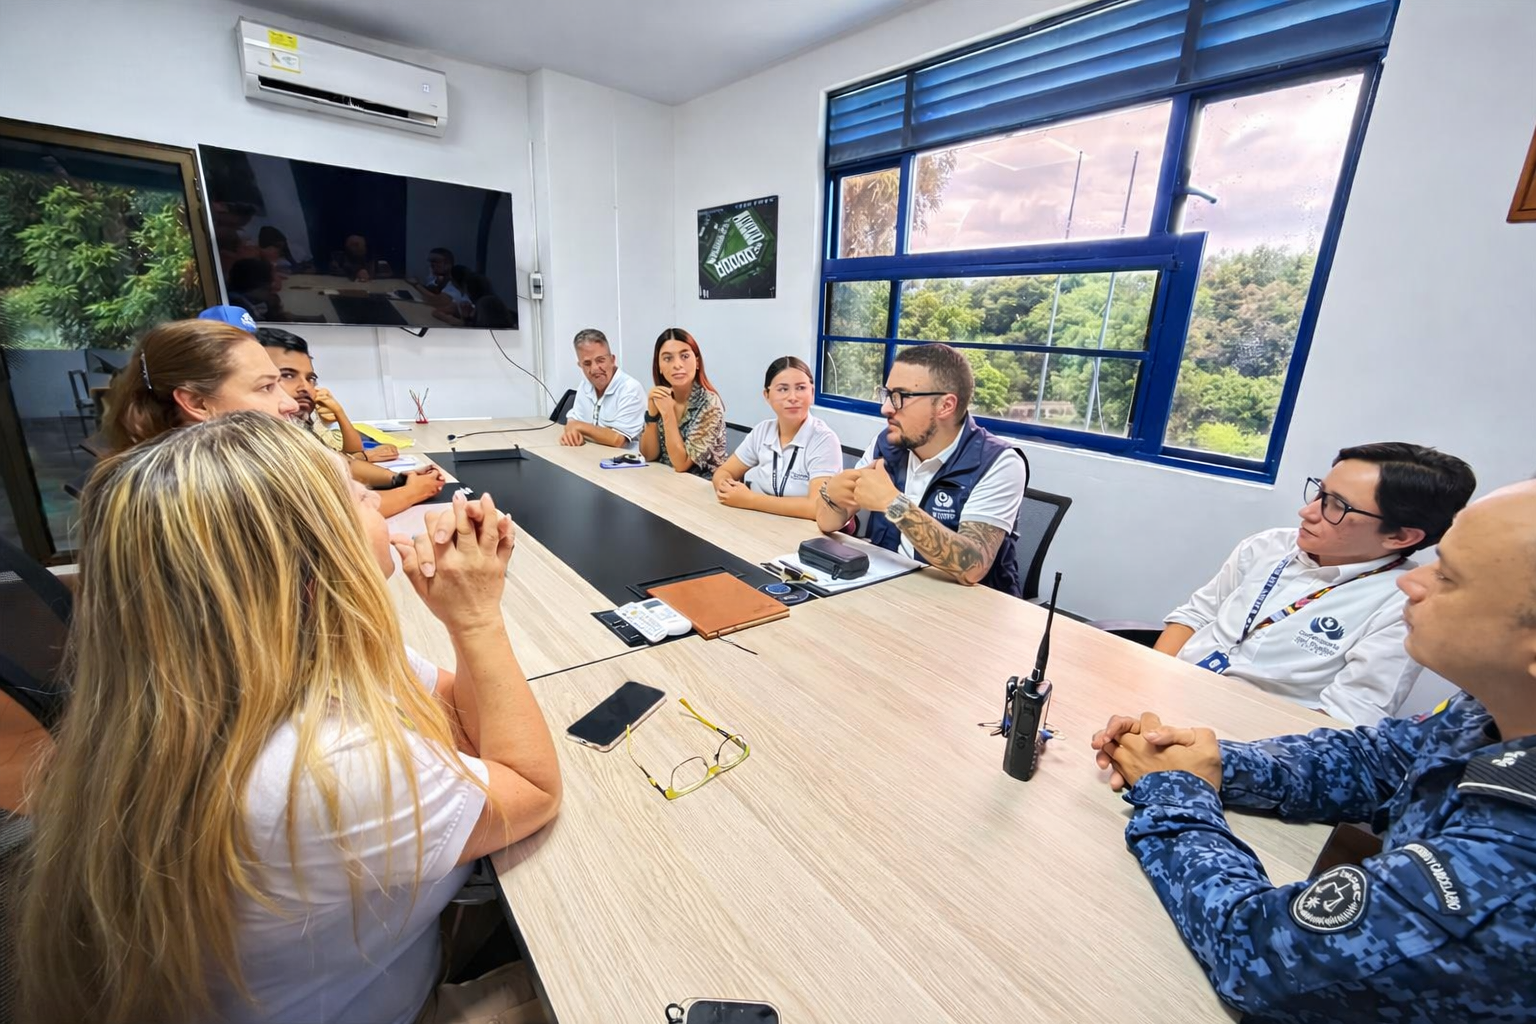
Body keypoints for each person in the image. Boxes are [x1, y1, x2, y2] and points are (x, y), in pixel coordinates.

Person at [18, 413, 562, 1024]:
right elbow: (533, 788)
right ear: (312, 568)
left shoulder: (247, 661)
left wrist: (463, 624)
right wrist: (477, 620)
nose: (378, 503)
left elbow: (458, 714)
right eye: (360, 496)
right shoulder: (328, 766)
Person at [1088, 478, 1536, 1023]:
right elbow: (1378, 760)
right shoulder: (1490, 709)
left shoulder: (1512, 873)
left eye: (1448, 577)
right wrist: (1214, 760)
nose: (1412, 583)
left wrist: (1174, 789)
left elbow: (1259, 955)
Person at [1155, 442, 1476, 725]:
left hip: (1244, 743)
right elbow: (1194, 617)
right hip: (1168, 696)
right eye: (1320, 492)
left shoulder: (1403, 606)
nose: (1307, 512)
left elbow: (1346, 718)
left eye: (1337, 505)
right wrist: (1152, 685)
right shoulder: (1267, 547)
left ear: (1400, 536)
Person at [813, 343, 1029, 594]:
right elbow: (826, 522)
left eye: (901, 397)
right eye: (887, 394)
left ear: (945, 405)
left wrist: (892, 503)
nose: (886, 408)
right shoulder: (889, 443)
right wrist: (833, 498)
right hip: (889, 588)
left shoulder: (999, 462)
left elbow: (973, 566)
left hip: (966, 612)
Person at [257, 327, 446, 516]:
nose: (305, 387)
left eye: (310, 378)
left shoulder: (296, 426)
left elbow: (340, 463)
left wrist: (399, 479)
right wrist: (412, 492)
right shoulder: (260, 443)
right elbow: (336, 514)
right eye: (288, 375)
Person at [100, 318, 299, 451]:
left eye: (279, 382)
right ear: (196, 403)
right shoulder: (220, 498)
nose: (291, 404)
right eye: (266, 387)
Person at [711, 356, 843, 520]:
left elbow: (817, 507)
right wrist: (726, 487)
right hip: (758, 523)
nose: (793, 397)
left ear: (812, 392)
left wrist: (750, 500)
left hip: (801, 532)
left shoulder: (824, 440)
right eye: (782, 389)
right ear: (767, 395)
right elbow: (724, 471)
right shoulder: (762, 431)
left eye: (801, 388)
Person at [639, 327, 726, 476]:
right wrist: (652, 415)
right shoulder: (662, 397)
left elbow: (681, 464)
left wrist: (667, 414)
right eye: (667, 358)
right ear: (659, 366)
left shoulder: (710, 403)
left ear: (697, 362)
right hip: (666, 482)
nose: (677, 365)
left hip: (701, 490)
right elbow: (648, 455)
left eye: (685, 356)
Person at [560, 328, 646, 449]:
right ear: (580, 365)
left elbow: (618, 440)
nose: (595, 368)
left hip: (624, 462)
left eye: (600, 360)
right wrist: (572, 432)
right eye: (587, 363)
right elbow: (574, 419)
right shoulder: (585, 385)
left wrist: (578, 426)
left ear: (612, 360)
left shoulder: (630, 389)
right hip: (592, 456)